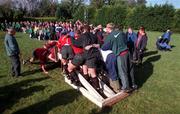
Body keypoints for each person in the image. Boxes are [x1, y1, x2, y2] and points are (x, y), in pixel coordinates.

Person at [103, 23, 136, 92]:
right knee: (130, 70)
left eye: (106, 28)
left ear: (109, 28)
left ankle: (126, 87)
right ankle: (133, 84)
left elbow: (104, 47)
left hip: (121, 54)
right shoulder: (122, 33)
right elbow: (126, 41)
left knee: (122, 72)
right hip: (127, 52)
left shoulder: (110, 36)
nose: (106, 29)